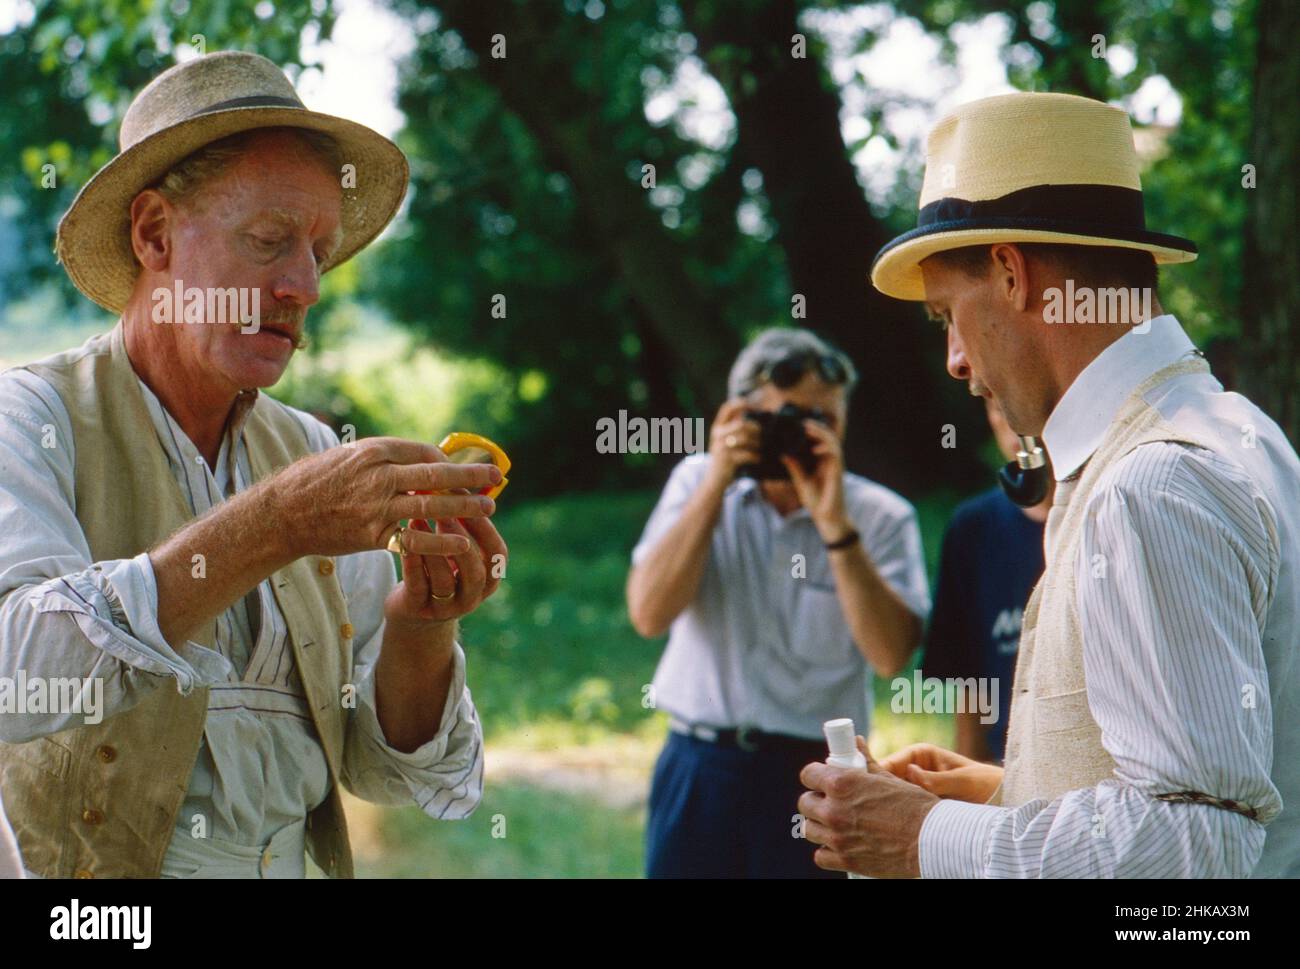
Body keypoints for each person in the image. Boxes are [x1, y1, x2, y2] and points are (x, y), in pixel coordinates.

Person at [0, 52, 506, 878]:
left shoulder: (311, 451)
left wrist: (421, 625)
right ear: (154, 233)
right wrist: (275, 524)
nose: (304, 285)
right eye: (269, 240)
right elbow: (12, 670)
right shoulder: (30, 418)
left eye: (320, 250)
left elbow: (386, 769)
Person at [798, 91, 1300, 878]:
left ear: (1009, 272)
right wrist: (1009, 792)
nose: (956, 360)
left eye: (946, 317)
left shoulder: (1151, 485)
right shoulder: (1238, 430)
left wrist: (925, 837)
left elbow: (1199, 845)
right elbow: (1206, 784)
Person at [627, 328, 930, 878]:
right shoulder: (698, 482)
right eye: (789, 419)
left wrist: (835, 524)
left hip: (814, 776)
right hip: (701, 764)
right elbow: (648, 614)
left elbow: (890, 657)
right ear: (740, 418)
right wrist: (718, 478)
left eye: (825, 421)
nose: (806, 436)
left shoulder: (882, 516)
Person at [921, 396, 1051, 764]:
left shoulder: (1104, 510)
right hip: (1005, 768)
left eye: (1015, 399)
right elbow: (970, 684)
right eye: (997, 406)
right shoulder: (973, 528)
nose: (1012, 422)